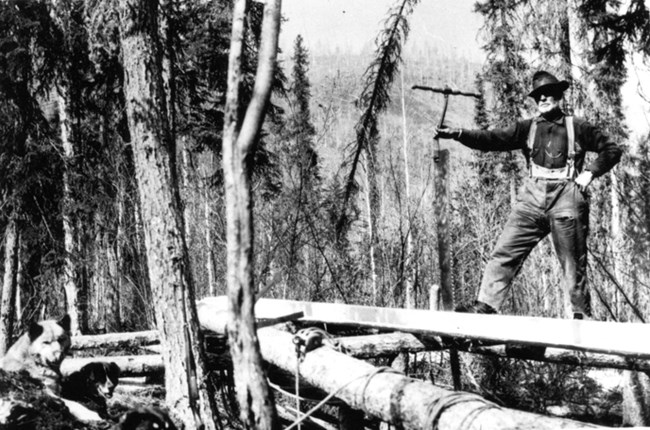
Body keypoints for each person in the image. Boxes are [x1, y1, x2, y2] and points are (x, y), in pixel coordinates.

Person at [435, 70, 622, 319]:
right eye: (538, 95)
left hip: (566, 199)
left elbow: (611, 149)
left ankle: (581, 317)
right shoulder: (528, 128)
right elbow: (492, 139)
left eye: (549, 93)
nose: (543, 97)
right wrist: (458, 134)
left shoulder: (577, 126)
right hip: (531, 201)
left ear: (559, 95)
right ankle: (486, 306)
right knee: (504, 252)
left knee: (572, 263)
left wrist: (590, 172)